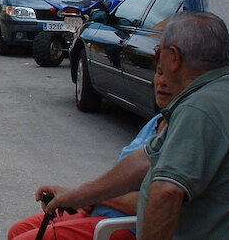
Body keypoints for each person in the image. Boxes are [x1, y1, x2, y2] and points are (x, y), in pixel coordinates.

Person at [38, 11, 229, 239]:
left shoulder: (200, 108)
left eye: (159, 52)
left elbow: (167, 192)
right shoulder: (217, 94)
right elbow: (142, 160)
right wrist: (77, 195)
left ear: (174, 57)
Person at [10, 67, 173, 240]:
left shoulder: (179, 137)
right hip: (97, 210)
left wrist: (89, 197)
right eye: (159, 72)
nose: (162, 82)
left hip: (120, 225)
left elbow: (153, 204)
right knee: (18, 230)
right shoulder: (156, 122)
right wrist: (76, 194)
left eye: (170, 75)